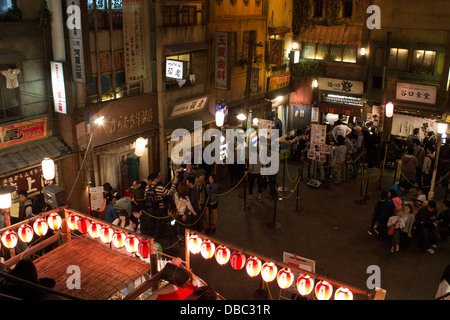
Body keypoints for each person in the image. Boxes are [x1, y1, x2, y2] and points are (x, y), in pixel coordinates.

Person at [146, 172, 178, 239]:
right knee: (158, 222)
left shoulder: (147, 187)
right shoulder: (160, 187)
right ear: (155, 179)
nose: (159, 178)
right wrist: (174, 184)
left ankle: (152, 235)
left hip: (150, 208)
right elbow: (169, 193)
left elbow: (145, 197)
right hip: (159, 207)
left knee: (152, 221)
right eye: (158, 177)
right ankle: (158, 236)